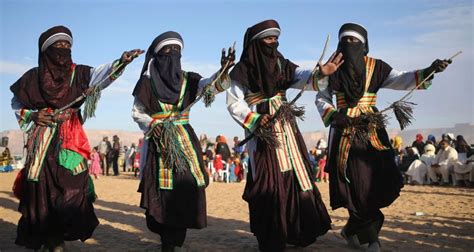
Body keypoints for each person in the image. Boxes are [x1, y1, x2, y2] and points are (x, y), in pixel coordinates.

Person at [315, 23, 451, 251]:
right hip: (344, 133)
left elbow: (402, 79)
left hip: (372, 134)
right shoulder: (332, 68)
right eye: (345, 41)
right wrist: (334, 115)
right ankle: (372, 240)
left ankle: (351, 229)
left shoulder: (376, 67)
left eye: (354, 41)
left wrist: (429, 70)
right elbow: (321, 97)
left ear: (364, 45)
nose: (349, 45)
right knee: (356, 184)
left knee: (376, 183)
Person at [10, 25, 142, 250]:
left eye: (68, 45)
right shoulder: (31, 78)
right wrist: (33, 115)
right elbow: (17, 103)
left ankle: (58, 237)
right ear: (46, 50)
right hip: (41, 141)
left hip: (71, 139)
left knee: (72, 189)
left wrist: (121, 62)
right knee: (40, 190)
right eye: (58, 45)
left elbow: (102, 74)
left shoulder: (79, 74)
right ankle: (52, 240)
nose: (64, 49)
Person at [226, 19, 342, 251]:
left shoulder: (281, 63)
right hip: (262, 132)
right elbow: (234, 104)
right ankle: (271, 237)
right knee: (268, 181)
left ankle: (297, 232)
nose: (274, 43)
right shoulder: (240, 71)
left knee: (297, 175)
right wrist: (256, 119)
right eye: (269, 39)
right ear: (257, 43)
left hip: (287, 127)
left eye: (276, 39)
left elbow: (301, 76)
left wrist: (321, 72)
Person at [131, 31, 234, 250]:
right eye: (167, 51)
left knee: (186, 188)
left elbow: (211, 87)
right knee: (161, 191)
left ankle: (173, 239)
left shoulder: (189, 79)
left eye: (176, 51)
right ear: (157, 56)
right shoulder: (147, 84)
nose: (172, 55)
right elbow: (137, 113)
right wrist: (153, 125)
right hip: (158, 144)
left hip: (186, 143)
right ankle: (166, 237)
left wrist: (223, 71)